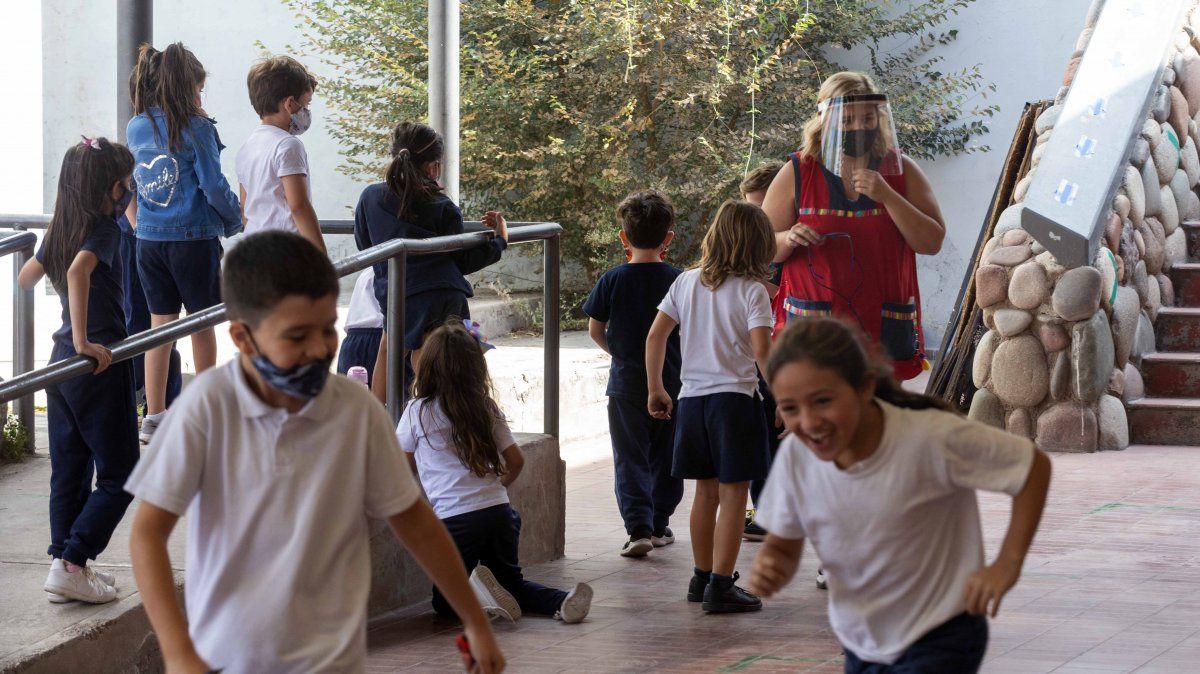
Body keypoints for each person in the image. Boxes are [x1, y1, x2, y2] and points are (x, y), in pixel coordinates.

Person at [125, 231, 505, 673]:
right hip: (227, 658)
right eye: (296, 336)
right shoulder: (205, 409)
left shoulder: (356, 411)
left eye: (327, 329)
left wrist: (475, 621)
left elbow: (415, 521)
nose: (319, 349)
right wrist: (178, 653)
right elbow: (147, 534)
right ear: (243, 337)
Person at [748, 317, 1051, 673]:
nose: (810, 421)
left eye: (823, 401)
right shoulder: (797, 457)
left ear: (864, 387)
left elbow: (1031, 467)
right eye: (790, 408)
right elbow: (783, 545)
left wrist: (1007, 564)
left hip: (940, 632)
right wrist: (774, 565)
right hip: (860, 642)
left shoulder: (929, 437)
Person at [399, 320, 594, 624]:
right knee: (512, 584)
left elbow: (402, 464)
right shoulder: (485, 407)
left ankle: (483, 602)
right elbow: (516, 460)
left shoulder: (418, 410)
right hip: (499, 512)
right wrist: (496, 487)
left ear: (428, 366)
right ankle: (562, 600)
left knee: (445, 602)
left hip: (454, 520)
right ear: (475, 367)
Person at [761, 71, 945, 383]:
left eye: (867, 118)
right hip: (814, 332)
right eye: (847, 120)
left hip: (883, 330)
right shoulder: (798, 171)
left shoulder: (902, 170)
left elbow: (931, 243)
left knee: (881, 411)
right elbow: (761, 249)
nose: (858, 127)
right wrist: (789, 237)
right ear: (825, 120)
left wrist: (888, 196)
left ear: (879, 118)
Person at [18, 137, 138, 604]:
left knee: (69, 470)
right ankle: (74, 560)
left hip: (60, 365)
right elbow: (77, 273)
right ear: (109, 188)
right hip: (96, 364)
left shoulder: (64, 228)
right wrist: (87, 340)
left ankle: (64, 566)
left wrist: (53, 252)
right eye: (126, 184)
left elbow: (27, 278)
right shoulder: (105, 229)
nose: (129, 192)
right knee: (121, 474)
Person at [646, 199, 775, 613]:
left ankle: (700, 577)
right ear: (759, 245)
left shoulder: (685, 282)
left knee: (705, 492)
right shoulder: (754, 291)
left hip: (692, 401)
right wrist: (786, 400)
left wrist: (655, 388)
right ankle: (721, 584)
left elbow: (656, 336)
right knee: (735, 494)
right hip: (735, 403)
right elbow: (763, 352)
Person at [126, 42, 242, 444]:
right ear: (186, 87)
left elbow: (133, 184)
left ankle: (154, 416)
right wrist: (235, 219)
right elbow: (213, 184)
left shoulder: (136, 126)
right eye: (198, 88)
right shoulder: (198, 128)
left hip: (149, 243)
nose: (200, 96)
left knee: (159, 327)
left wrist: (141, 227)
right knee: (202, 323)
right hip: (193, 240)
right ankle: (205, 412)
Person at [353, 121, 508, 401]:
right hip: (445, 294)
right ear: (434, 167)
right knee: (446, 360)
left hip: (399, 294)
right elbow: (462, 260)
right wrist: (499, 241)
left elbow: (365, 246)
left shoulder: (370, 197)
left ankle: (378, 421)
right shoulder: (443, 205)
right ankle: (444, 417)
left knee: (389, 352)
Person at [582, 189, 684, 558]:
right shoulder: (679, 280)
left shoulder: (612, 279)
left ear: (623, 237)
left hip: (625, 385)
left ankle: (638, 528)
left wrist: (621, 355)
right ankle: (658, 524)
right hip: (672, 383)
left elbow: (595, 329)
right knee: (667, 457)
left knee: (630, 456)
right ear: (668, 238)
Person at [739, 160, 785, 544]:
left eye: (763, 207)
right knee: (761, 436)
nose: (758, 217)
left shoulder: (784, 249)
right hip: (756, 356)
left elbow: (776, 293)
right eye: (752, 208)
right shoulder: (754, 250)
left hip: (783, 353)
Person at [235, 55, 325, 253]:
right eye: (306, 104)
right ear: (290, 103)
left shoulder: (246, 147)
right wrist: (321, 258)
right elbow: (299, 206)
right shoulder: (288, 145)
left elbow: (245, 208)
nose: (306, 110)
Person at [336, 267, 384, 386]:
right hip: (381, 336)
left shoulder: (367, 272)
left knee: (349, 394)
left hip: (352, 339)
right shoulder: (389, 269)